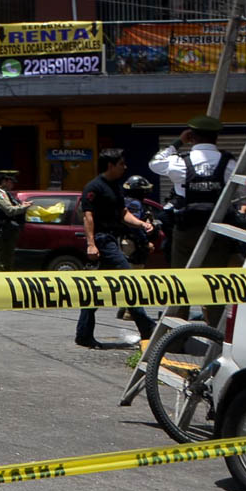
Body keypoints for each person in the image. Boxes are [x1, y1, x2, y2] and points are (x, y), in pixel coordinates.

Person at [76, 148, 157, 348]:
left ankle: (83, 334)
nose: (125, 167)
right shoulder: (94, 187)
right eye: (121, 164)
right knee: (128, 280)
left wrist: (141, 224)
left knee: (96, 290)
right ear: (110, 165)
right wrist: (91, 244)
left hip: (112, 238)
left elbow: (123, 213)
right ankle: (147, 327)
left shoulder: (114, 187)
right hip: (103, 241)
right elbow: (88, 217)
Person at [149, 114, 237, 270]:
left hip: (186, 228)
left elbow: (154, 163)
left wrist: (178, 142)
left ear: (191, 136)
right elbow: (241, 191)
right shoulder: (229, 162)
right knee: (217, 275)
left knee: (184, 276)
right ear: (216, 137)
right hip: (218, 228)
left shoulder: (179, 161)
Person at [0, 170, 28, 272]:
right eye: (11, 181)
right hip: (2, 231)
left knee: (7, 260)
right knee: (3, 261)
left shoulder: (4, 193)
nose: (12, 184)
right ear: (4, 181)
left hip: (5, 230)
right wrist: (24, 207)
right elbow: (9, 210)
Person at [120, 174, 160, 266]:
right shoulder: (134, 203)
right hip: (131, 243)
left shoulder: (125, 201)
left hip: (126, 241)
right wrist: (145, 243)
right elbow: (134, 227)